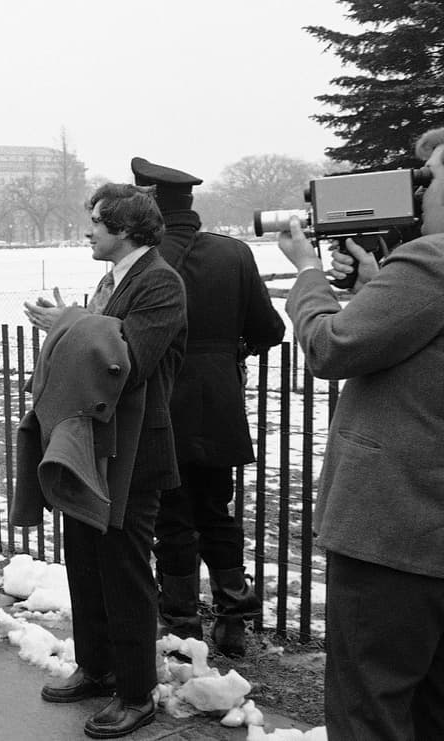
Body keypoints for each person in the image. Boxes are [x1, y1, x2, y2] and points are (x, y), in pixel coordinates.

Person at [278, 128, 444, 740]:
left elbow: (331, 346)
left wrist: (307, 272)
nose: (419, 186)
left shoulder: (432, 261)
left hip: (398, 532)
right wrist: (377, 286)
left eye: (431, 174)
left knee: (366, 708)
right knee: (431, 708)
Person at [24, 183, 186, 739]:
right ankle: (96, 667)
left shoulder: (161, 281)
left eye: (96, 222)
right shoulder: (111, 279)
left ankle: (137, 693)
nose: (88, 230)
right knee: (86, 564)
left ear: (125, 228)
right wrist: (67, 325)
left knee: (124, 571)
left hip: (135, 454)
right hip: (93, 447)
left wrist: (66, 323)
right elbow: (94, 348)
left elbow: (130, 359)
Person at [132, 157, 286, 657]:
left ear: (150, 203)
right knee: (217, 512)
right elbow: (270, 331)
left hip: (162, 405)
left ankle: (180, 622)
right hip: (219, 403)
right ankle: (233, 619)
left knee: (172, 516)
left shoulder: (145, 259)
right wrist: (228, 351)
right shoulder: (234, 253)